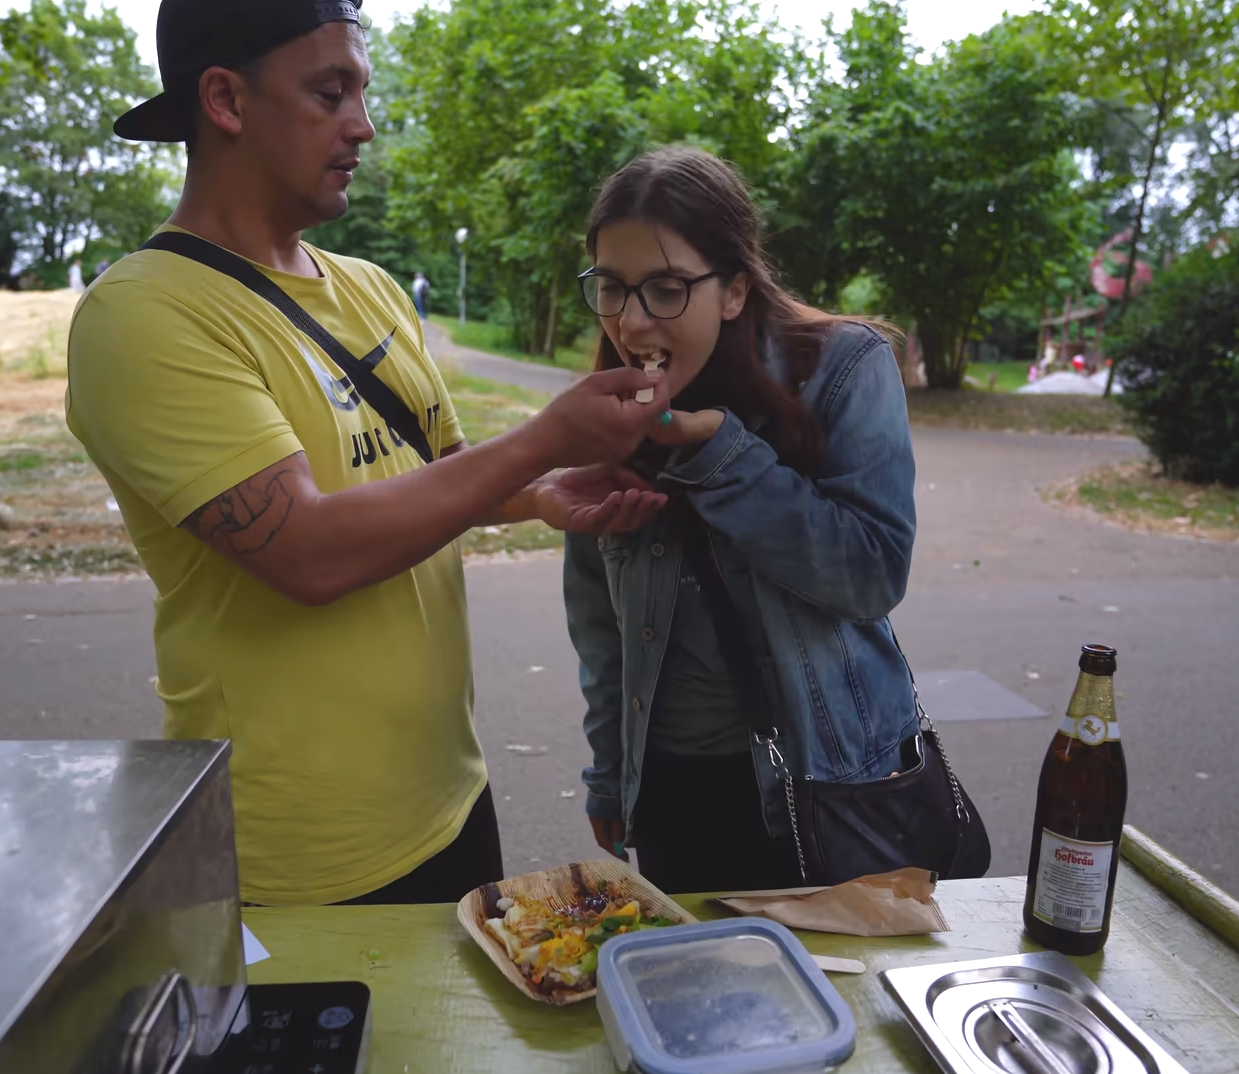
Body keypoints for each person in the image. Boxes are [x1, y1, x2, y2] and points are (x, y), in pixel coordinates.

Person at [66, 0, 671, 908]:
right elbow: (305, 551)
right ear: (225, 99)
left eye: (362, 89)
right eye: (329, 90)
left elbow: (437, 472)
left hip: (451, 795)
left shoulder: (372, 288)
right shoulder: (143, 313)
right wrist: (545, 436)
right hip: (299, 850)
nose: (364, 123)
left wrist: (540, 492)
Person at [564, 146, 920, 895]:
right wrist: (608, 776)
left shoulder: (845, 370)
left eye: (665, 289)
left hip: (823, 783)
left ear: (732, 290)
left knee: (837, 1001)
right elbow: (599, 620)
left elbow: (871, 576)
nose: (630, 321)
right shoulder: (608, 408)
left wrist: (724, 456)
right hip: (669, 791)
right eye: (611, 288)